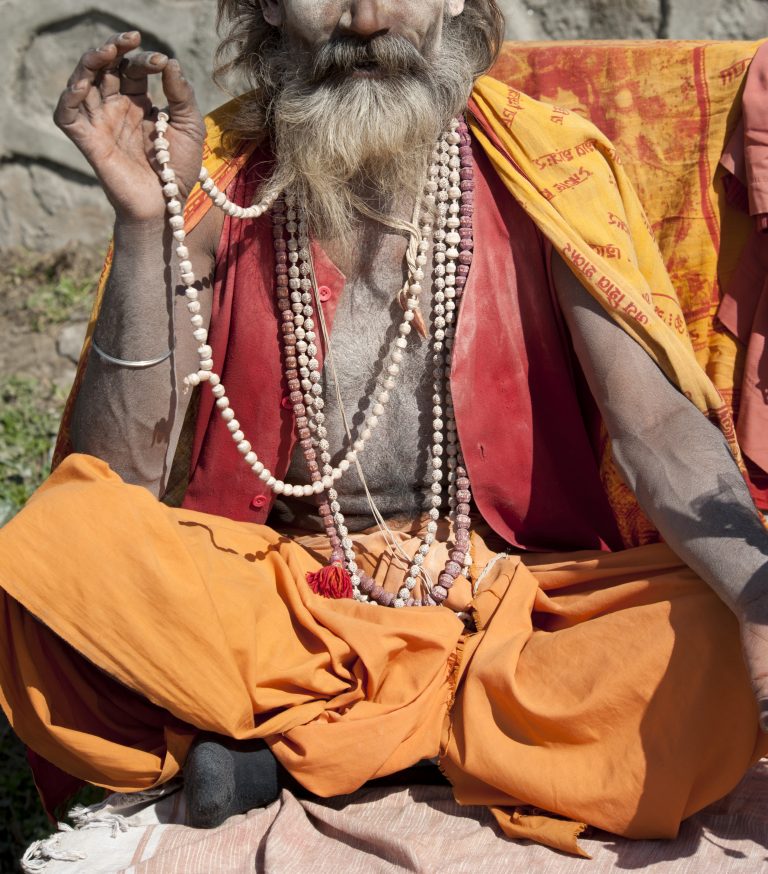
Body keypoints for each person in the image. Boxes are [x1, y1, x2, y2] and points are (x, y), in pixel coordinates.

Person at [1, 0, 767, 856]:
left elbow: (654, 423)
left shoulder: (546, 167)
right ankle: (474, 740)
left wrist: (758, 598)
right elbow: (119, 479)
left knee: (708, 625)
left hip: (510, 601)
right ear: (266, 4)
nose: (365, 18)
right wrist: (147, 225)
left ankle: (299, 745)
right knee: (61, 547)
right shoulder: (212, 178)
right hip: (297, 603)